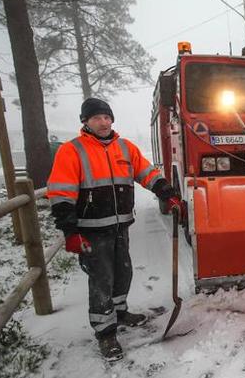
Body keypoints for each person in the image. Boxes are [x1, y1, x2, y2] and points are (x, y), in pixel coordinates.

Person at [47, 98, 185, 361]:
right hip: (90, 230)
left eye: (107, 117)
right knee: (101, 279)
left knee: (123, 272)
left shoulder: (124, 147)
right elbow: (61, 192)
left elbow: (147, 172)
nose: (103, 122)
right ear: (85, 122)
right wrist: (69, 231)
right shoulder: (72, 150)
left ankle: (120, 312)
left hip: (120, 225)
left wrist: (167, 192)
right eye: (97, 118)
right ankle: (105, 333)